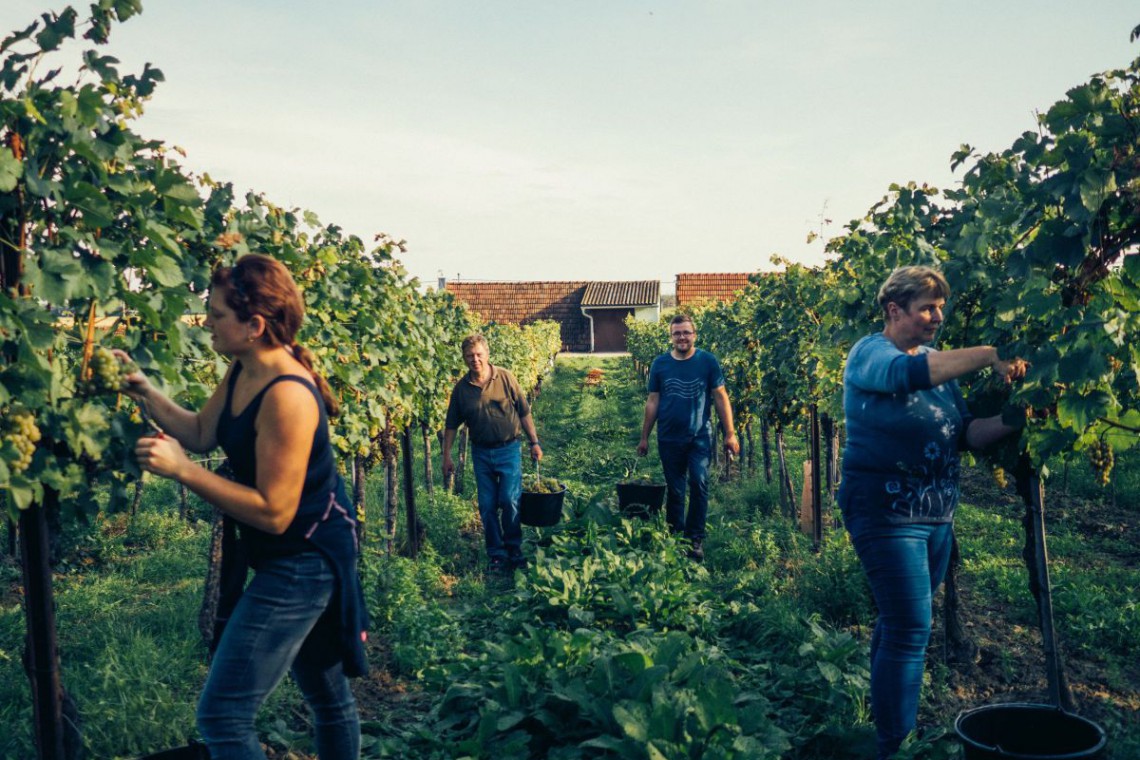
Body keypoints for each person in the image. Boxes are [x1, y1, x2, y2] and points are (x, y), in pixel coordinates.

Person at [124, 254, 366, 760]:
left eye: (215, 314)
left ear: (254, 325)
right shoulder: (244, 368)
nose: (207, 322)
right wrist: (145, 390)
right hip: (288, 552)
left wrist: (184, 472)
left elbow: (274, 511)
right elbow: (199, 432)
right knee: (326, 695)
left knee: (223, 715)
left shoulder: (288, 397)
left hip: (306, 560)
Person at [839, 265, 1027, 759]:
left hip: (937, 514)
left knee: (896, 624)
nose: (937, 317)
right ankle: (894, 747)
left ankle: (884, 734)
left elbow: (967, 434)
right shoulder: (870, 354)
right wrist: (988, 356)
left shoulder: (938, 367)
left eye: (940, 307)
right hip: (886, 511)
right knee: (911, 630)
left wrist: (1015, 416)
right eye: (927, 307)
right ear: (894, 310)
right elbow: (904, 376)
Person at [637, 313, 739, 560]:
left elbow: (720, 396)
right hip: (668, 438)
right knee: (675, 489)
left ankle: (695, 539)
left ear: (694, 335)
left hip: (699, 437)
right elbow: (653, 401)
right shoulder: (660, 364)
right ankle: (675, 536)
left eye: (686, 332)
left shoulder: (707, 362)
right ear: (671, 337)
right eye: (677, 333)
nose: (682, 337)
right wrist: (644, 437)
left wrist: (730, 433)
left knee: (700, 483)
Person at [442, 333, 543, 572]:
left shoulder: (505, 377)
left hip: (509, 448)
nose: (475, 359)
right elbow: (451, 425)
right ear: (464, 359)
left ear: (487, 355)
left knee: (509, 500)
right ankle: (496, 554)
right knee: (487, 505)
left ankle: (513, 547)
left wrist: (534, 442)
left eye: (479, 354)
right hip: (481, 453)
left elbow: (524, 411)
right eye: (469, 356)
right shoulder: (461, 390)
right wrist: (446, 455)